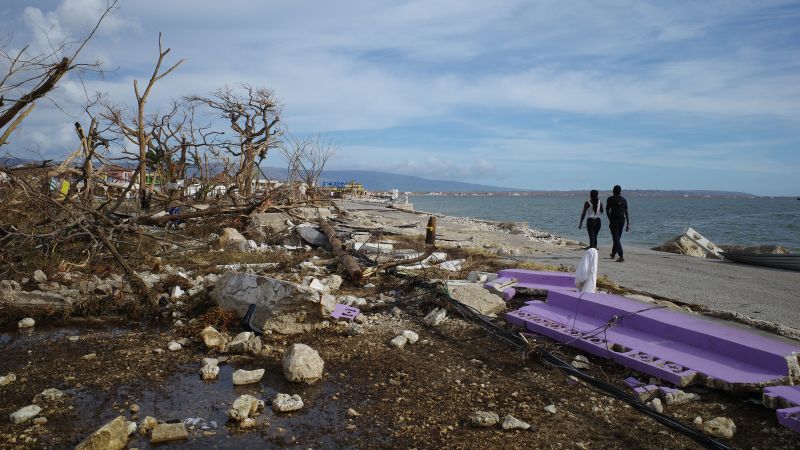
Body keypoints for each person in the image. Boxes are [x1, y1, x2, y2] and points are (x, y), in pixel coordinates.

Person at [606, 185, 630, 262]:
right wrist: (628, 224)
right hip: (622, 221)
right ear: (620, 192)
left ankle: (621, 255)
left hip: (614, 220)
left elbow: (607, 210)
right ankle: (613, 254)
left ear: (613, 191)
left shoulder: (610, 199)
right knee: (617, 238)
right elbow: (626, 212)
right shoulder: (624, 200)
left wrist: (610, 218)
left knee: (616, 238)